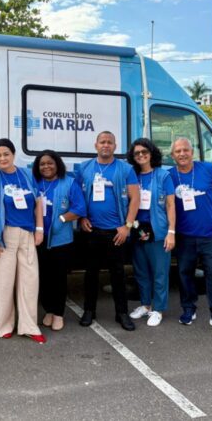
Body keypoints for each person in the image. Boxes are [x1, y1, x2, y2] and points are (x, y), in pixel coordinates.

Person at [75, 131, 140, 331]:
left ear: (115, 145)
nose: (105, 145)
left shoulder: (125, 169)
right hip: (91, 229)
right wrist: (82, 217)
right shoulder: (84, 168)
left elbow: (135, 198)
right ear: (96, 145)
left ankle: (122, 313)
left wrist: (127, 226)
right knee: (91, 273)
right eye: (102, 142)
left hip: (117, 231)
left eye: (109, 142)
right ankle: (89, 310)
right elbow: (77, 198)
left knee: (118, 274)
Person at [0, 138, 45, 343]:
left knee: (30, 281)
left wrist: (39, 229)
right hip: (5, 234)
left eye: (5, 154)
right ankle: (4, 326)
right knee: (4, 281)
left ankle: (29, 325)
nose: (2, 158)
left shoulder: (26, 175)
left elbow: (38, 203)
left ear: (13, 154)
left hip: (27, 233)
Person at [168, 138, 212, 329]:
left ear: (192, 152)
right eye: (178, 151)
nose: (182, 154)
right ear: (172, 155)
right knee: (184, 273)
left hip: (211, 234)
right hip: (184, 236)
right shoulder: (170, 176)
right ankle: (189, 308)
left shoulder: (208, 169)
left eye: (185, 150)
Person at [32, 150, 86, 332]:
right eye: (42, 164)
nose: (46, 166)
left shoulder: (69, 183)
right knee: (43, 278)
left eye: (50, 163)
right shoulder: (35, 183)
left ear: (57, 165)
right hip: (38, 239)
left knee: (58, 278)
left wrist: (62, 219)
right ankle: (48, 310)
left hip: (61, 241)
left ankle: (58, 314)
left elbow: (80, 207)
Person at [126, 139, 175, 327]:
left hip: (158, 229)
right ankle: (145, 305)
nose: (140, 155)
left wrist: (171, 232)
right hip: (137, 228)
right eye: (136, 153)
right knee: (141, 271)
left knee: (160, 272)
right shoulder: (132, 175)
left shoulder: (163, 176)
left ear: (152, 153)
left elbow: (171, 205)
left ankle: (158, 309)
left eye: (144, 151)